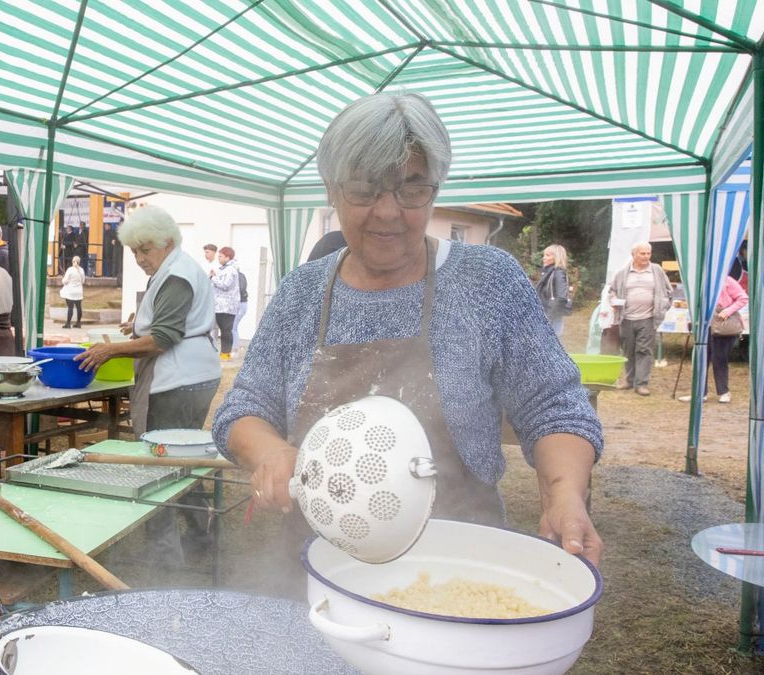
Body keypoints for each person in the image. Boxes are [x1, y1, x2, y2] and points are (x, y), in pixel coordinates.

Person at [212, 92, 602, 599]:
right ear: (332, 190)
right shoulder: (302, 294)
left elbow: (556, 409)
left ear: (434, 189)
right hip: (320, 566)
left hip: (460, 567)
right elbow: (243, 408)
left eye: (411, 189)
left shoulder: (488, 282)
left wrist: (563, 493)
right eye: (365, 189)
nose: (388, 211)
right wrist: (271, 451)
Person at [74, 206, 221, 562]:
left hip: (178, 379)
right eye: (134, 251)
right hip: (192, 376)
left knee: (160, 463)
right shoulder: (175, 268)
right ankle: (202, 537)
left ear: (168, 242)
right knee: (180, 461)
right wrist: (137, 324)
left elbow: (164, 338)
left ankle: (165, 554)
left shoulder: (177, 275)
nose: (140, 258)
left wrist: (112, 350)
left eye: (145, 249)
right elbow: (167, 321)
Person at [608, 241, 671, 396]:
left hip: (648, 318)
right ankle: (629, 380)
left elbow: (668, 291)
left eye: (648, 253)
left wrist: (662, 307)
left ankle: (641, 384)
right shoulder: (623, 273)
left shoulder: (657, 271)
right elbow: (612, 291)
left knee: (644, 350)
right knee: (628, 350)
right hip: (627, 318)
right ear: (633, 255)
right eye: (642, 253)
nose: (646, 256)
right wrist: (614, 301)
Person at [680, 275, 748, 404]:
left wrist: (728, 311)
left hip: (723, 326)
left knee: (719, 359)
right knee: (700, 359)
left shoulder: (727, 280)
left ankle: (724, 392)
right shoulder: (699, 280)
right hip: (704, 325)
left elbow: (743, 298)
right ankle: (700, 392)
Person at [210, 246, 240, 360]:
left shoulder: (231, 270)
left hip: (227, 306)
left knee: (225, 330)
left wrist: (213, 278)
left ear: (228, 257)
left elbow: (225, 285)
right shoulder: (222, 269)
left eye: (221, 256)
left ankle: (225, 354)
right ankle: (212, 352)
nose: (218, 258)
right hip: (218, 305)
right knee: (212, 329)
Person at [537, 244, 571, 336]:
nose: (544, 258)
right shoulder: (547, 273)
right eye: (544, 255)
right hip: (546, 315)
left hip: (552, 317)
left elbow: (561, 297)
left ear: (557, 257)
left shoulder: (558, 273)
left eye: (548, 255)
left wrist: (549, 317)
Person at [61, 254, 85, 329]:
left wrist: (63, 279)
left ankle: (68, 323)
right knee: (79, 307)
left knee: (70, 307)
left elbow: (65, 281)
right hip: (79, 292)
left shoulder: (70, 269)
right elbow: (83, 281)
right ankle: (78, 323)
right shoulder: (81, 270)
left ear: (73, 261)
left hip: (70, 292)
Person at [232, 265, 249, 353]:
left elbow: (241, 288)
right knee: (232, 326)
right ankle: (234, 348)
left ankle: (235, 349)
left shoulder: (239, 276)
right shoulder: (237, 276)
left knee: (233, 326)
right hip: (239, 304)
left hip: (241, 304)